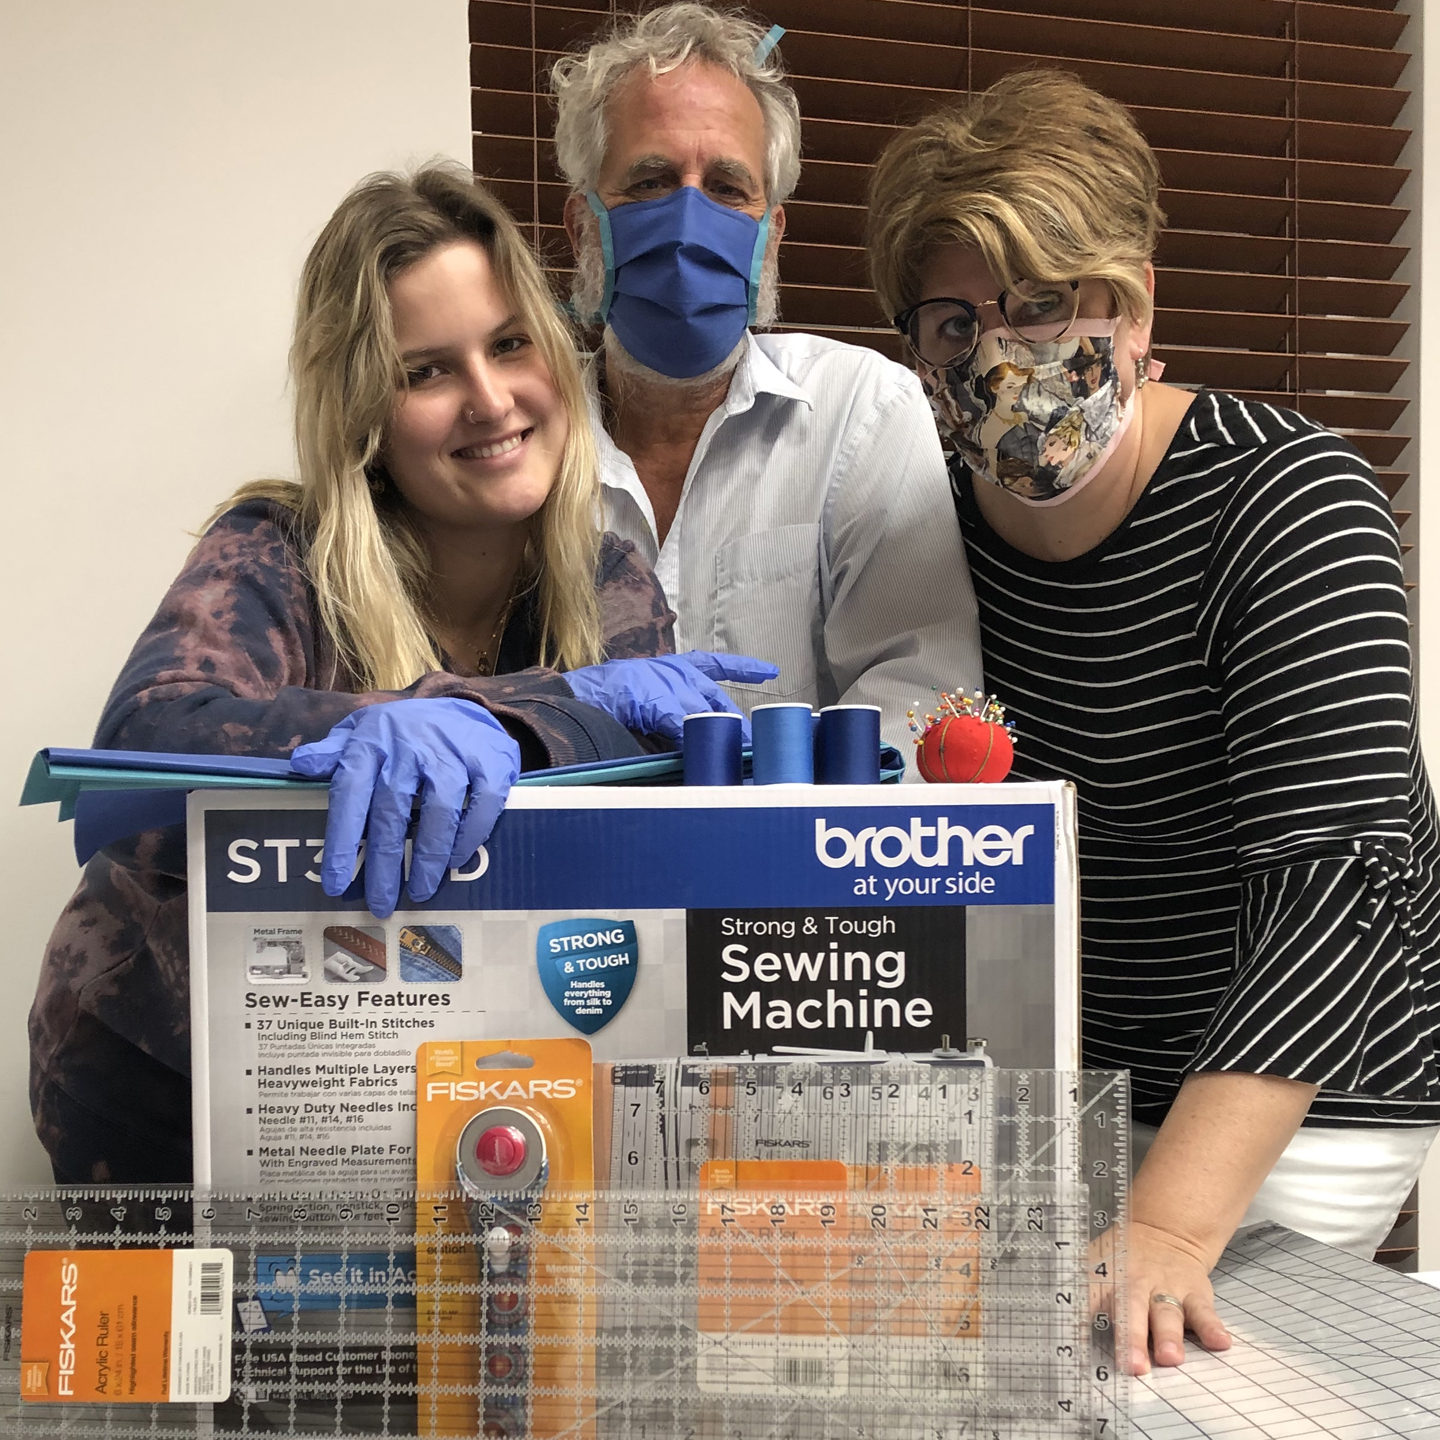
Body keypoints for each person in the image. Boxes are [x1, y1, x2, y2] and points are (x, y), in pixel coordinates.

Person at [29, 164, 773, 1184]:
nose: (489, 398)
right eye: (427, 371)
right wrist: (449, 713)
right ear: (365, 411)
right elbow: (138, 751)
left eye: (511, 343)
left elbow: (643, 796)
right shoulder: (274, 550)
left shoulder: (604, 573)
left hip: (453, 1080)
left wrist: (535, 719)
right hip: (176, 1094)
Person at [866, 70, 1440, 1375]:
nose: (996, 355)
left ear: (1127, 304)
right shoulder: (924, 537)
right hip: (1081, 1085)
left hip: (1312, 1092)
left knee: (1162, 1368)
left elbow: (1338, 889)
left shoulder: (1290, 500)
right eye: (953, 324)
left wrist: (1172, 1225)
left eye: (1038, 306)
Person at [549, 2, 983, 756]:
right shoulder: (519, 436)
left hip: (801, 859)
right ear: (583, 225)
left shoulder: (862, 411)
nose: (689, 220)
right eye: (651, 181)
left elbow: (920, 696)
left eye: (726, 187)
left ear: (770, 235)